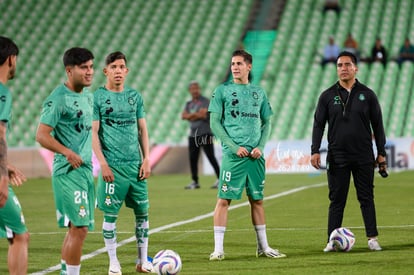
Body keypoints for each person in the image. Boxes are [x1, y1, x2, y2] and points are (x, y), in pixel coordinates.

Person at [208, 49, 286, 261]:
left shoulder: (258, 92)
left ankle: (263, 247)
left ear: (249, 67)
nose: (235, 67)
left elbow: (267, 121)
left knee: (257, 200)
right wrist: (233, 147)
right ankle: (218, 249)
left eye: (239, 63)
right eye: (233, 63)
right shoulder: (222, 91)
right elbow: (214, 123)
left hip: (255, 157)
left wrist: (260, 145)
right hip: (234, 157)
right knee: (223, 200)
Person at [310, 51, 387, 252]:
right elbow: (318, 125)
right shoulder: (327, 96)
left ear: (355, 68)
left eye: (347, 65)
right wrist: (315, 150)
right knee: (337, 200)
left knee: (366, 197)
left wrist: (381, 152)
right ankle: (331, 240)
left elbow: (378, 125)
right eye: (339, 65)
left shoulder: (368, 94)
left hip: (363, 155)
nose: (343, 69)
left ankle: (372, 238)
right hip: (337, 156)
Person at [92, 51, 153, 274]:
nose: (118, 71)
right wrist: (103, 163)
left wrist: (146, 159)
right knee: (110, 216)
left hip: (136, 166)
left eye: (122, 67)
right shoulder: (97, 97)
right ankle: (113, 262)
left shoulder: (135, 97)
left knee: (143, 214)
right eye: (114, 67)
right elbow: (94, 132)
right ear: (105, 71)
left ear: (126, 71)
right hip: (113, 167)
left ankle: (142, 261)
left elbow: (143, 129)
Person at [36, 47, 95, 275]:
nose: (89, 72)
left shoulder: (88, 96)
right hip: (68, 172)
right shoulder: (58, 99)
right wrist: (66, 152)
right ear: (69, 71)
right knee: (79, 228)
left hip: (86, 171)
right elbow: (41, 135)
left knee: (77, 229)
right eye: (84, 68)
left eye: (91, 67)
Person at [0, 36, 29, 275]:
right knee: (19, 235)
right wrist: (2, 175)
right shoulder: (2, 93)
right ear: (11, 59)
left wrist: (6, 165)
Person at [182, 81, 220, 189]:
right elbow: (183, 116)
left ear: (199, 89)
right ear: (189, 90)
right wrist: (195, 115)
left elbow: (203, 114)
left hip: (205, 133)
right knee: (192, 159)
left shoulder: (205, 101)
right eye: (193, 88)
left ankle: (220, 179)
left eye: (196, 88)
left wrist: (191, 116)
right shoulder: (189, 103)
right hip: (193, 135)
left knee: (210, 156)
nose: (195, 90)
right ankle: (195, 181)